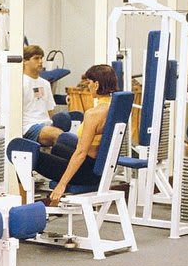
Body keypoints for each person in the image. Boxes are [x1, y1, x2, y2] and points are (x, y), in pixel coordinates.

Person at [33, 64, 119, 206]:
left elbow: (80, 153)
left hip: (86, 173)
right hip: (100, 168)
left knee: (26, 155)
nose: (88, 86)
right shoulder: (115, 107)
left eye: (89, 83)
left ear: (96, 84)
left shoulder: (93, 114)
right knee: (58, 148)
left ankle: (25, 206)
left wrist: (61, 184)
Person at [22, 45, 63, 147]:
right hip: (28, 127)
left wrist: (50, 124)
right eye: (36, 58)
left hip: (45, 124)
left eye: (41, 58)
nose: (40, 61)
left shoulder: (45, 83)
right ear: (25, 61)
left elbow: (50, 111)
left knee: (65, 129)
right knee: (59, 136)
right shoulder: (20, 83)